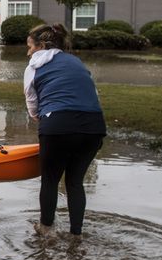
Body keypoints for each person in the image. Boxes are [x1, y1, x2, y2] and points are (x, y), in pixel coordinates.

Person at [23, 23, 106, 237]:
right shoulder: (76, 62)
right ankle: (76, 236)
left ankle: (45, 231)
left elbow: (33, 106)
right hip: (94, 126)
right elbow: (94, 95)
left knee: (50, 180)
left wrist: (47, 122)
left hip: (57, 125)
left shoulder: (34, 66)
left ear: (41, 46)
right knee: (75, 182)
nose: (28, 52)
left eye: (30, 47)